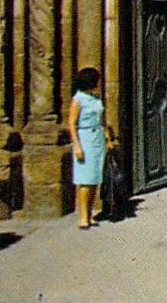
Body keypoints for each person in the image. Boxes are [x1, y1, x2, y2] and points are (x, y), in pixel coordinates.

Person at [68, 66, 108, 228]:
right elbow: (71, 122)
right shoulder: (78, 99)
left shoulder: (95, 97)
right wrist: (77, 146)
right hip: (84, 138)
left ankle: (90, 213)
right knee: (85, 179)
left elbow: (101, 119)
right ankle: (83, 216)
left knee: (94, 178)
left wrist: (107, 137)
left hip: (97, 137)